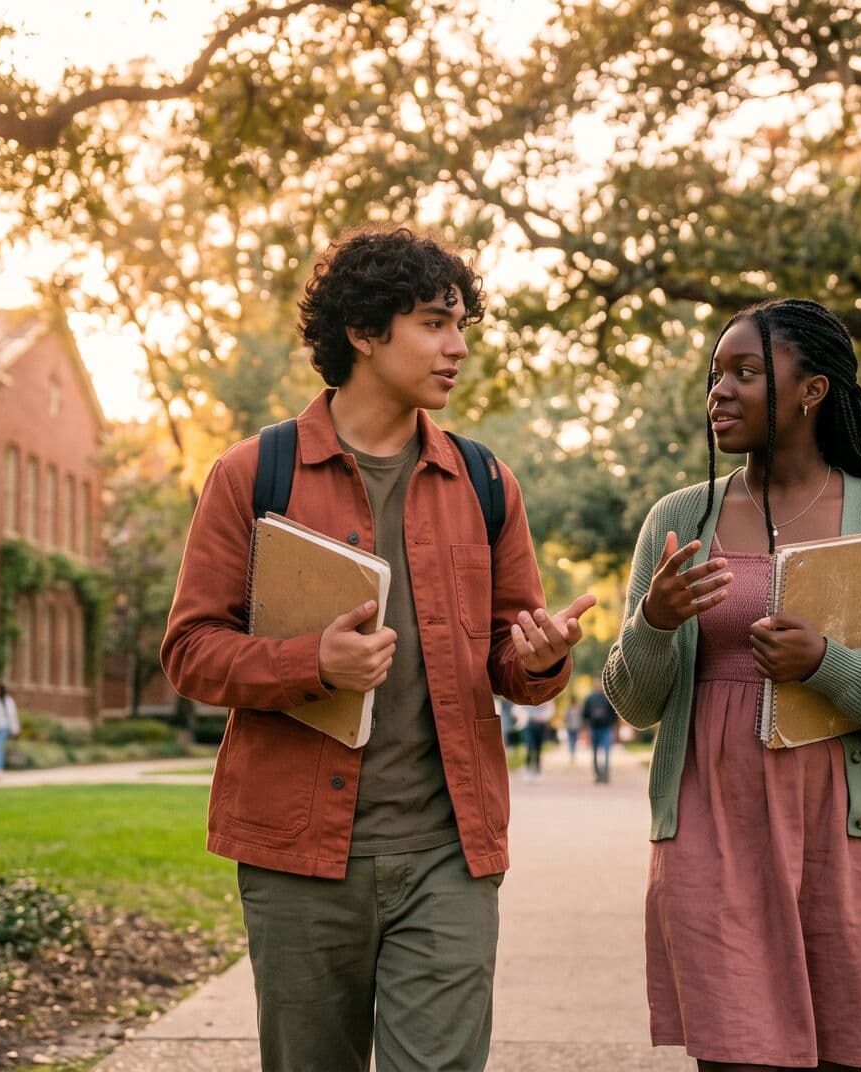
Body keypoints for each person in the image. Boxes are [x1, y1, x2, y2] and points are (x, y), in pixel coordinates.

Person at [158, 227, 591, 1072]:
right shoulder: (254, 474)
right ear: (363, 331)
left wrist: (540, 658)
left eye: (462, 324)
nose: (458, 346)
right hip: (299, 856)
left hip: (448, 854)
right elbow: (190, 651)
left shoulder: (487, 482)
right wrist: (309, 665)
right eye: (434, 322)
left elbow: (513, 662)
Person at [603, 298, 861, 1071]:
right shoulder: (680, 517)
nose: (719, 393)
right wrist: (655, 622)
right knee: (732, 1056)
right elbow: (632, 703)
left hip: (838, 830)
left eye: (747, 372)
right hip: (712, 826)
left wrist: (827, 663)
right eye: (714, 375)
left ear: (812, 390)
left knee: (836, 1056)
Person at [581, 684, 620, 784]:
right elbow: (585, 716)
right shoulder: (590, 699)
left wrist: (615, 731)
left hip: (606, 729)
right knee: (594, 753)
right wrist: (585, 731)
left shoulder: (609, 698)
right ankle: (597, 775)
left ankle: (605, 775)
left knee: (606, 753)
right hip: (594, 729)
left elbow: (615, 716)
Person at [515, 698, 555, 782]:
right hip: (530, 725)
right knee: (529, 747)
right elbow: (517, 709)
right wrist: (526, 716)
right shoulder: (527, 695)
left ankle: (537, 772)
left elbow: (551, 710)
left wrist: (541, 717)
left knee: (538, 750)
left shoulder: (546, 695)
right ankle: (528, 771)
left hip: (541, 726)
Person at [562, 688, 584, 763]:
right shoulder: (568, 708)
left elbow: (580, 717)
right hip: (570, 727)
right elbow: (565, 717)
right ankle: (572, 754)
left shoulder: (578, 708)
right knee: (571, 741)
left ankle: (573, 754)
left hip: (576, 727)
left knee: (574, 741)